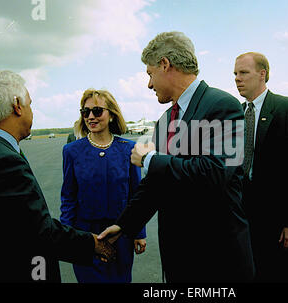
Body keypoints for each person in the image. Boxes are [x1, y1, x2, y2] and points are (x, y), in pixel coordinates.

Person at [98, 31, 255, 283]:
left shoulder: (222, 105)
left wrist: (149, 159)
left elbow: (216, 171)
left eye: (150, 74)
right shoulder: (165, 120)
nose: (149, 84)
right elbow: (157, 184)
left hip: (217, 259)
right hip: (179, 259)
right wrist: (124, 225)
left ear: (165, 64)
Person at [0, 70, 115, 283]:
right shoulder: (4, 161)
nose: (31, 112)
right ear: (17, 105)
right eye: (30, 104)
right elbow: (39, 231)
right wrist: (93, 243)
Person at [233, 52, 288, 282]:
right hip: (244, 219)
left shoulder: (287, 108)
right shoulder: (235, 114)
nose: (237, 78)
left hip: (279, 223)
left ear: (262, 74)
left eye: (243, 73)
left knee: (285, 276)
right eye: (235, 74)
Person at [60, 89, 146, 283]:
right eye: (85, 112)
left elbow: (136, 194)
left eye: (97, 111)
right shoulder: (72, 151)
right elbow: (68, 196)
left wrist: (138, 232)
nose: (91, 116)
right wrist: (66, 236)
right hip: (86, 236)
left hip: (120, 236)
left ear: (111, 114)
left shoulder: (128, 149)